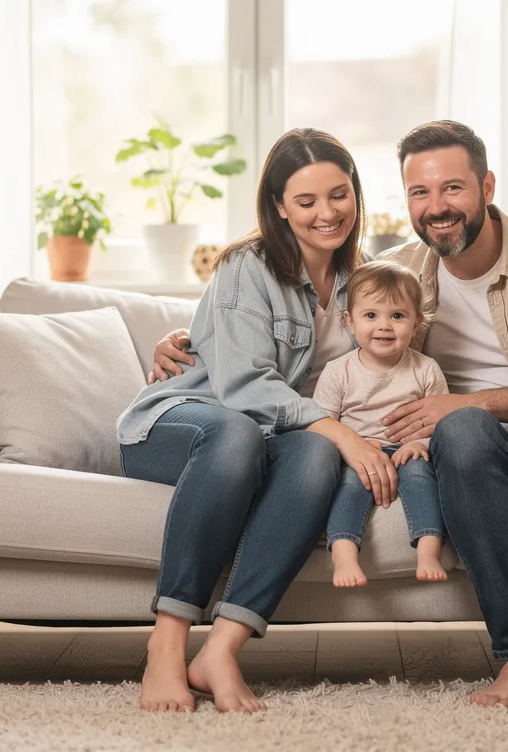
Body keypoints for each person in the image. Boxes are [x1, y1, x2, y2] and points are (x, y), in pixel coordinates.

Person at [149, 120, 508, 710]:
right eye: (419, 193)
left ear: (487, 186)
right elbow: (284, 344)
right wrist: (191, 338)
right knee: (460, 431)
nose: (437, 207)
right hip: (468, 448)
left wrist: (463, 402)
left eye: (452, 188)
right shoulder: (396, 272)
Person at [116, 127, 393, 714]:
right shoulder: (246, 265)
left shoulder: (362, 278)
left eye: (339, 194)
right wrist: (341, 431)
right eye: (306, 200)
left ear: (357, 194)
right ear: (278, 207)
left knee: (316, 452)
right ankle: (164, 648)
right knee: (245, 431)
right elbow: (241, 386)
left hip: (268, 436)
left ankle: (221, 649)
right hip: (179, 423)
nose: (327, 213)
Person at [315, 260, 451, 588]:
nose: (384, 326)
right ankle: (344, 556)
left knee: (421, 478)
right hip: (357, 453)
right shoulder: (338, 371)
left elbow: (444, 424)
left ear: (417, 323)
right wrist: (351, 449)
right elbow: (321, 424)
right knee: (349, 486)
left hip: (409, 451)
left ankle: (428, 551)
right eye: (371, 315)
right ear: (350, 322)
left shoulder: (426, 369)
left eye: (398, 316)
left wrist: (420, 445)